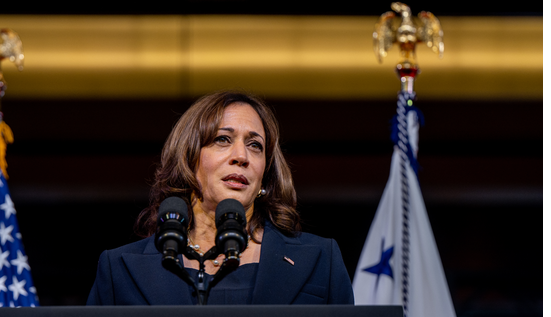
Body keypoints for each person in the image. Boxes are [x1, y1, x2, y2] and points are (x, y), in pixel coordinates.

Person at [86, 91, 354, 305]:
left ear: (265, 173)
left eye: (255, 145)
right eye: (223, 139)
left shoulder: (320, 260)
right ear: (189, 158)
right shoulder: (120, 269)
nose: (242, 156)